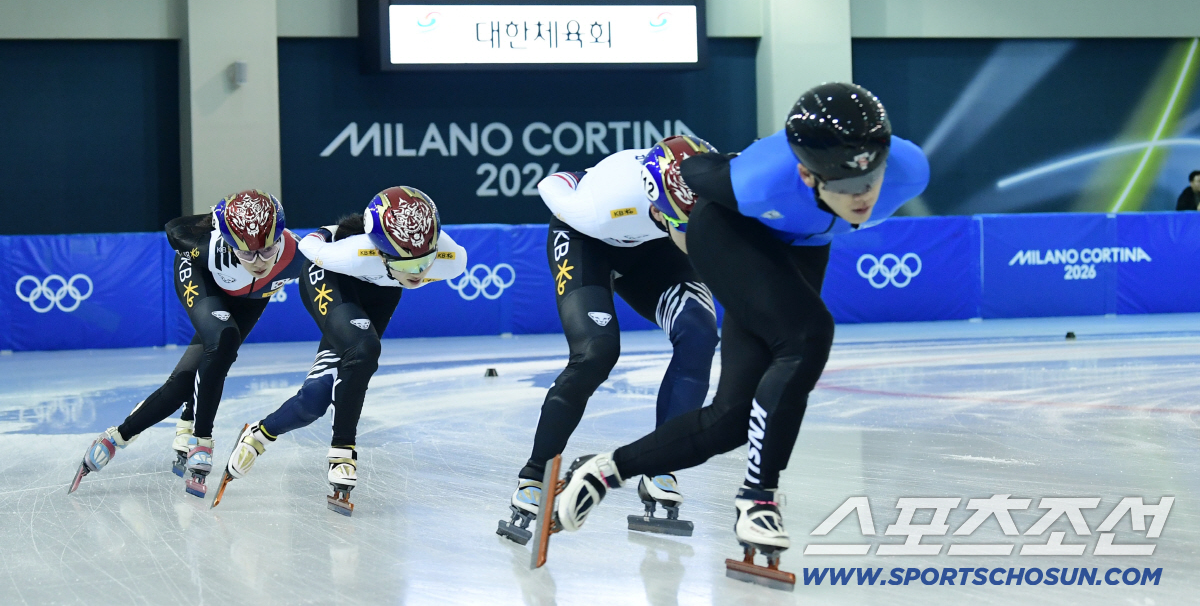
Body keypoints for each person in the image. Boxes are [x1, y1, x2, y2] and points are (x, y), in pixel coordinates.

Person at [548, 83, 930, 581]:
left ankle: (604, 470)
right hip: (728, 232)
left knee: (731, 420)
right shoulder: (757, 180)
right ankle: (758, 499)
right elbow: (695, 169)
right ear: (805, 172)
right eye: (842, 184)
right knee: (807, 335)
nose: (861, 197)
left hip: (803, 244)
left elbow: (854, 192)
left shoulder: (910, 169)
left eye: (871, 180)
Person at [497, 139, 720, 545]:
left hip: (653, 247)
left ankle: (661, 465)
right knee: (596, 352)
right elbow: (554, 183)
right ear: (656, 206)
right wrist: (583, 179)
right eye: (686, 221)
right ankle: (535, 474)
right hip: (586, 240)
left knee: (700, 335)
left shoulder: (716, 188)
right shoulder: (600, 205)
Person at [209, 186, 466, 515]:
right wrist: (325, 233)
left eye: (426, 262)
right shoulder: (351, 253)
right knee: (365, 348)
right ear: (381, 251)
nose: (420, 273)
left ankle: (261, 434)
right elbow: (308, 246)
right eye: (410, 264)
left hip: (381, 293)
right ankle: (343, 449)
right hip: (331, 278)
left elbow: (421, 265)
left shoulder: (451, 259)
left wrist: (411, 266)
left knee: (316, 398)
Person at [70, 190, 306, 496]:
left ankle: (117, 437)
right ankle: (201, 440)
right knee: (223, 339)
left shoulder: (299, 254)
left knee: (193, 375)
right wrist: (213, 219)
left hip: (251, 300)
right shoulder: (206, 246)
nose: (259, 261)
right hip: (201, 278)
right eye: (247, 253)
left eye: (267, 250)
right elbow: (174, 228)